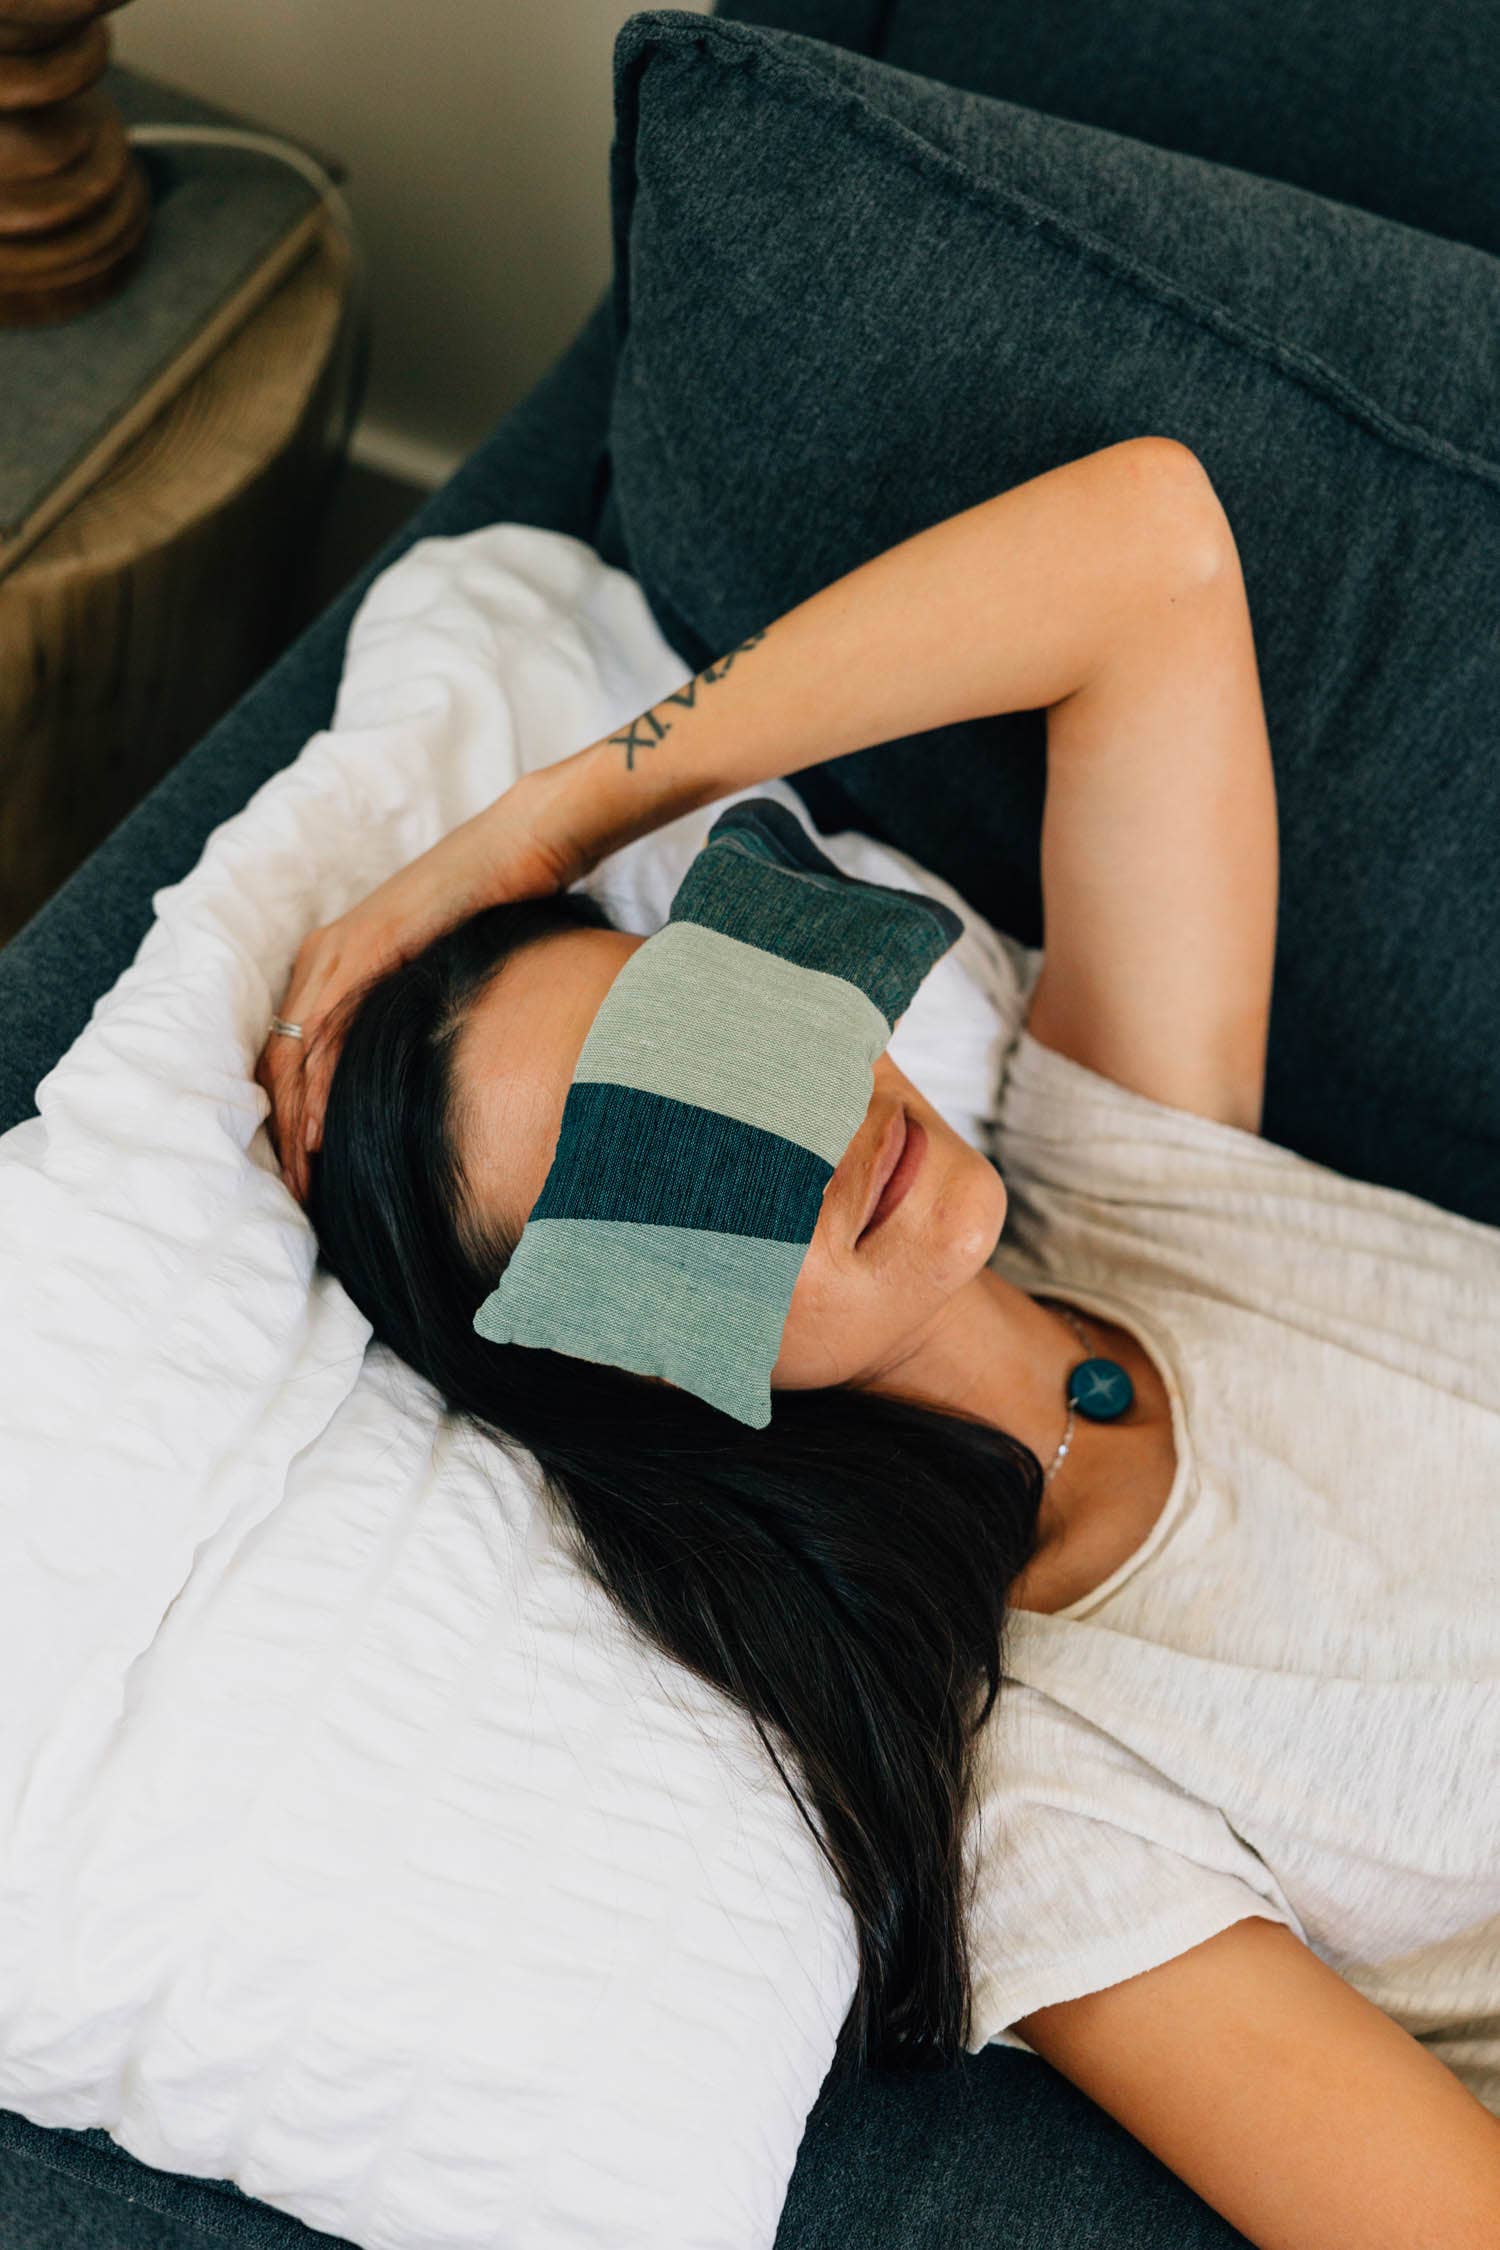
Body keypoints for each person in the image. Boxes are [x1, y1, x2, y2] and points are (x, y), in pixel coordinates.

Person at [256, 437, 1500, 2245]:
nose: (804, 1122)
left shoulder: (1145, 1175)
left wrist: (542, 826)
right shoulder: (1051, 1796)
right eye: (664, 1158)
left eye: (715, 1031)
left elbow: (1150, 547)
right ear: (636, 1371)